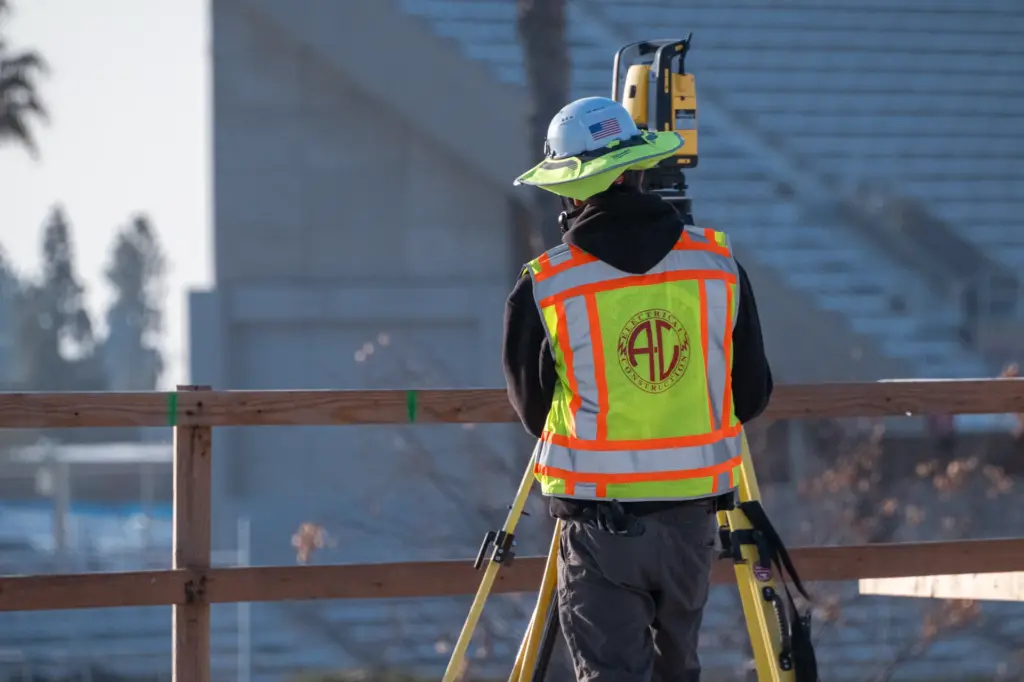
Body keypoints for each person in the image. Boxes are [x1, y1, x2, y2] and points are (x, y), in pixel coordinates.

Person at [503, 96, 774, 682]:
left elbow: (533, 412)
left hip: (600, 526)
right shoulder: (719, 265)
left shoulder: (546, 283)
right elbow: (750, 396)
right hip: (693, 522)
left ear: (571, 189)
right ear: (638, 169)